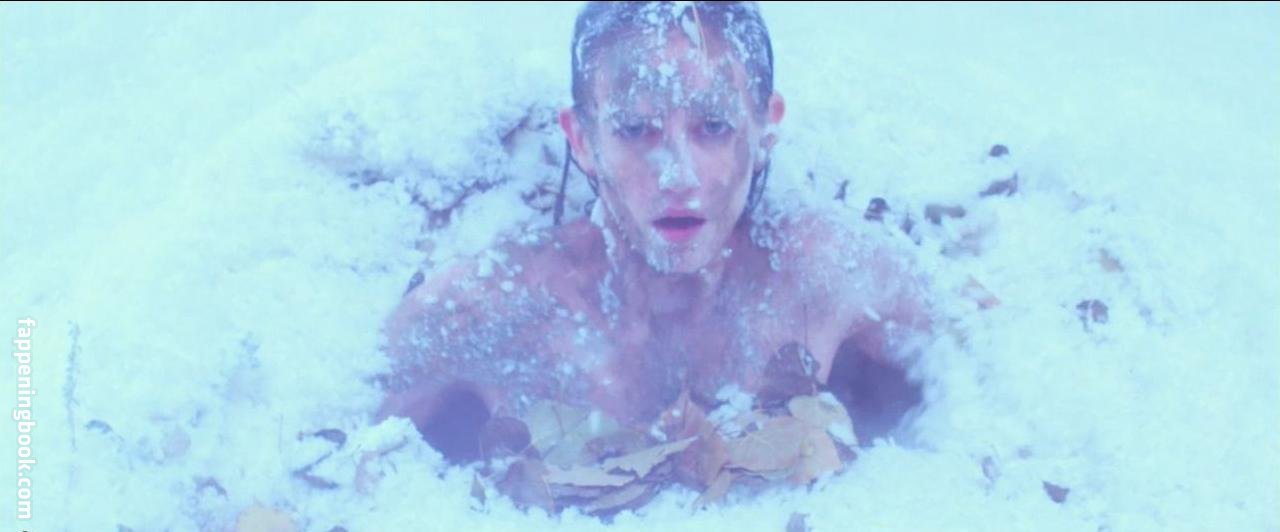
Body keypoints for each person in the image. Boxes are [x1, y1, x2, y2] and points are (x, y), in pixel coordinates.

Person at [376, 1, 932, 462]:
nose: (678, 176)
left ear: (765, 127)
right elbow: (343, 473)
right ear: (582, 140)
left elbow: (976, 401)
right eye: (636, 129)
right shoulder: (494, 309)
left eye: (713, 126)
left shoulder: (823, 275)